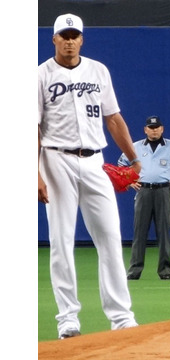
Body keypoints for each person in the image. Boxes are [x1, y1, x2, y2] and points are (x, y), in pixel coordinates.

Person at [38, 14, 140, 339]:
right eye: (63, 35)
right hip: (55, 159)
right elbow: (32, 128)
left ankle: (121, 317)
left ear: (82, 39)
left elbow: (114, 118)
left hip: (94, 160)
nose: (69, 40)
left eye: (75, 35)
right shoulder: (39, 75)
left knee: (110, 237)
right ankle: (68, 319)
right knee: (61, 242)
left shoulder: (98, 71)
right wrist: (34, 174)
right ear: (53, 39)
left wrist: (135, 158)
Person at [118, 116, 170, 280]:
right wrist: (130, 182)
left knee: (163, 231)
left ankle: (165, 271)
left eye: (157, 127)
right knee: (139, 232)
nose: (154, 130)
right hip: (143, 190)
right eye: (151, 127)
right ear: (145, 129)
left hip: (163, 191)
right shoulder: (135, 146)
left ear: (162, 129)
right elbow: (121, 165)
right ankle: (134, 270)